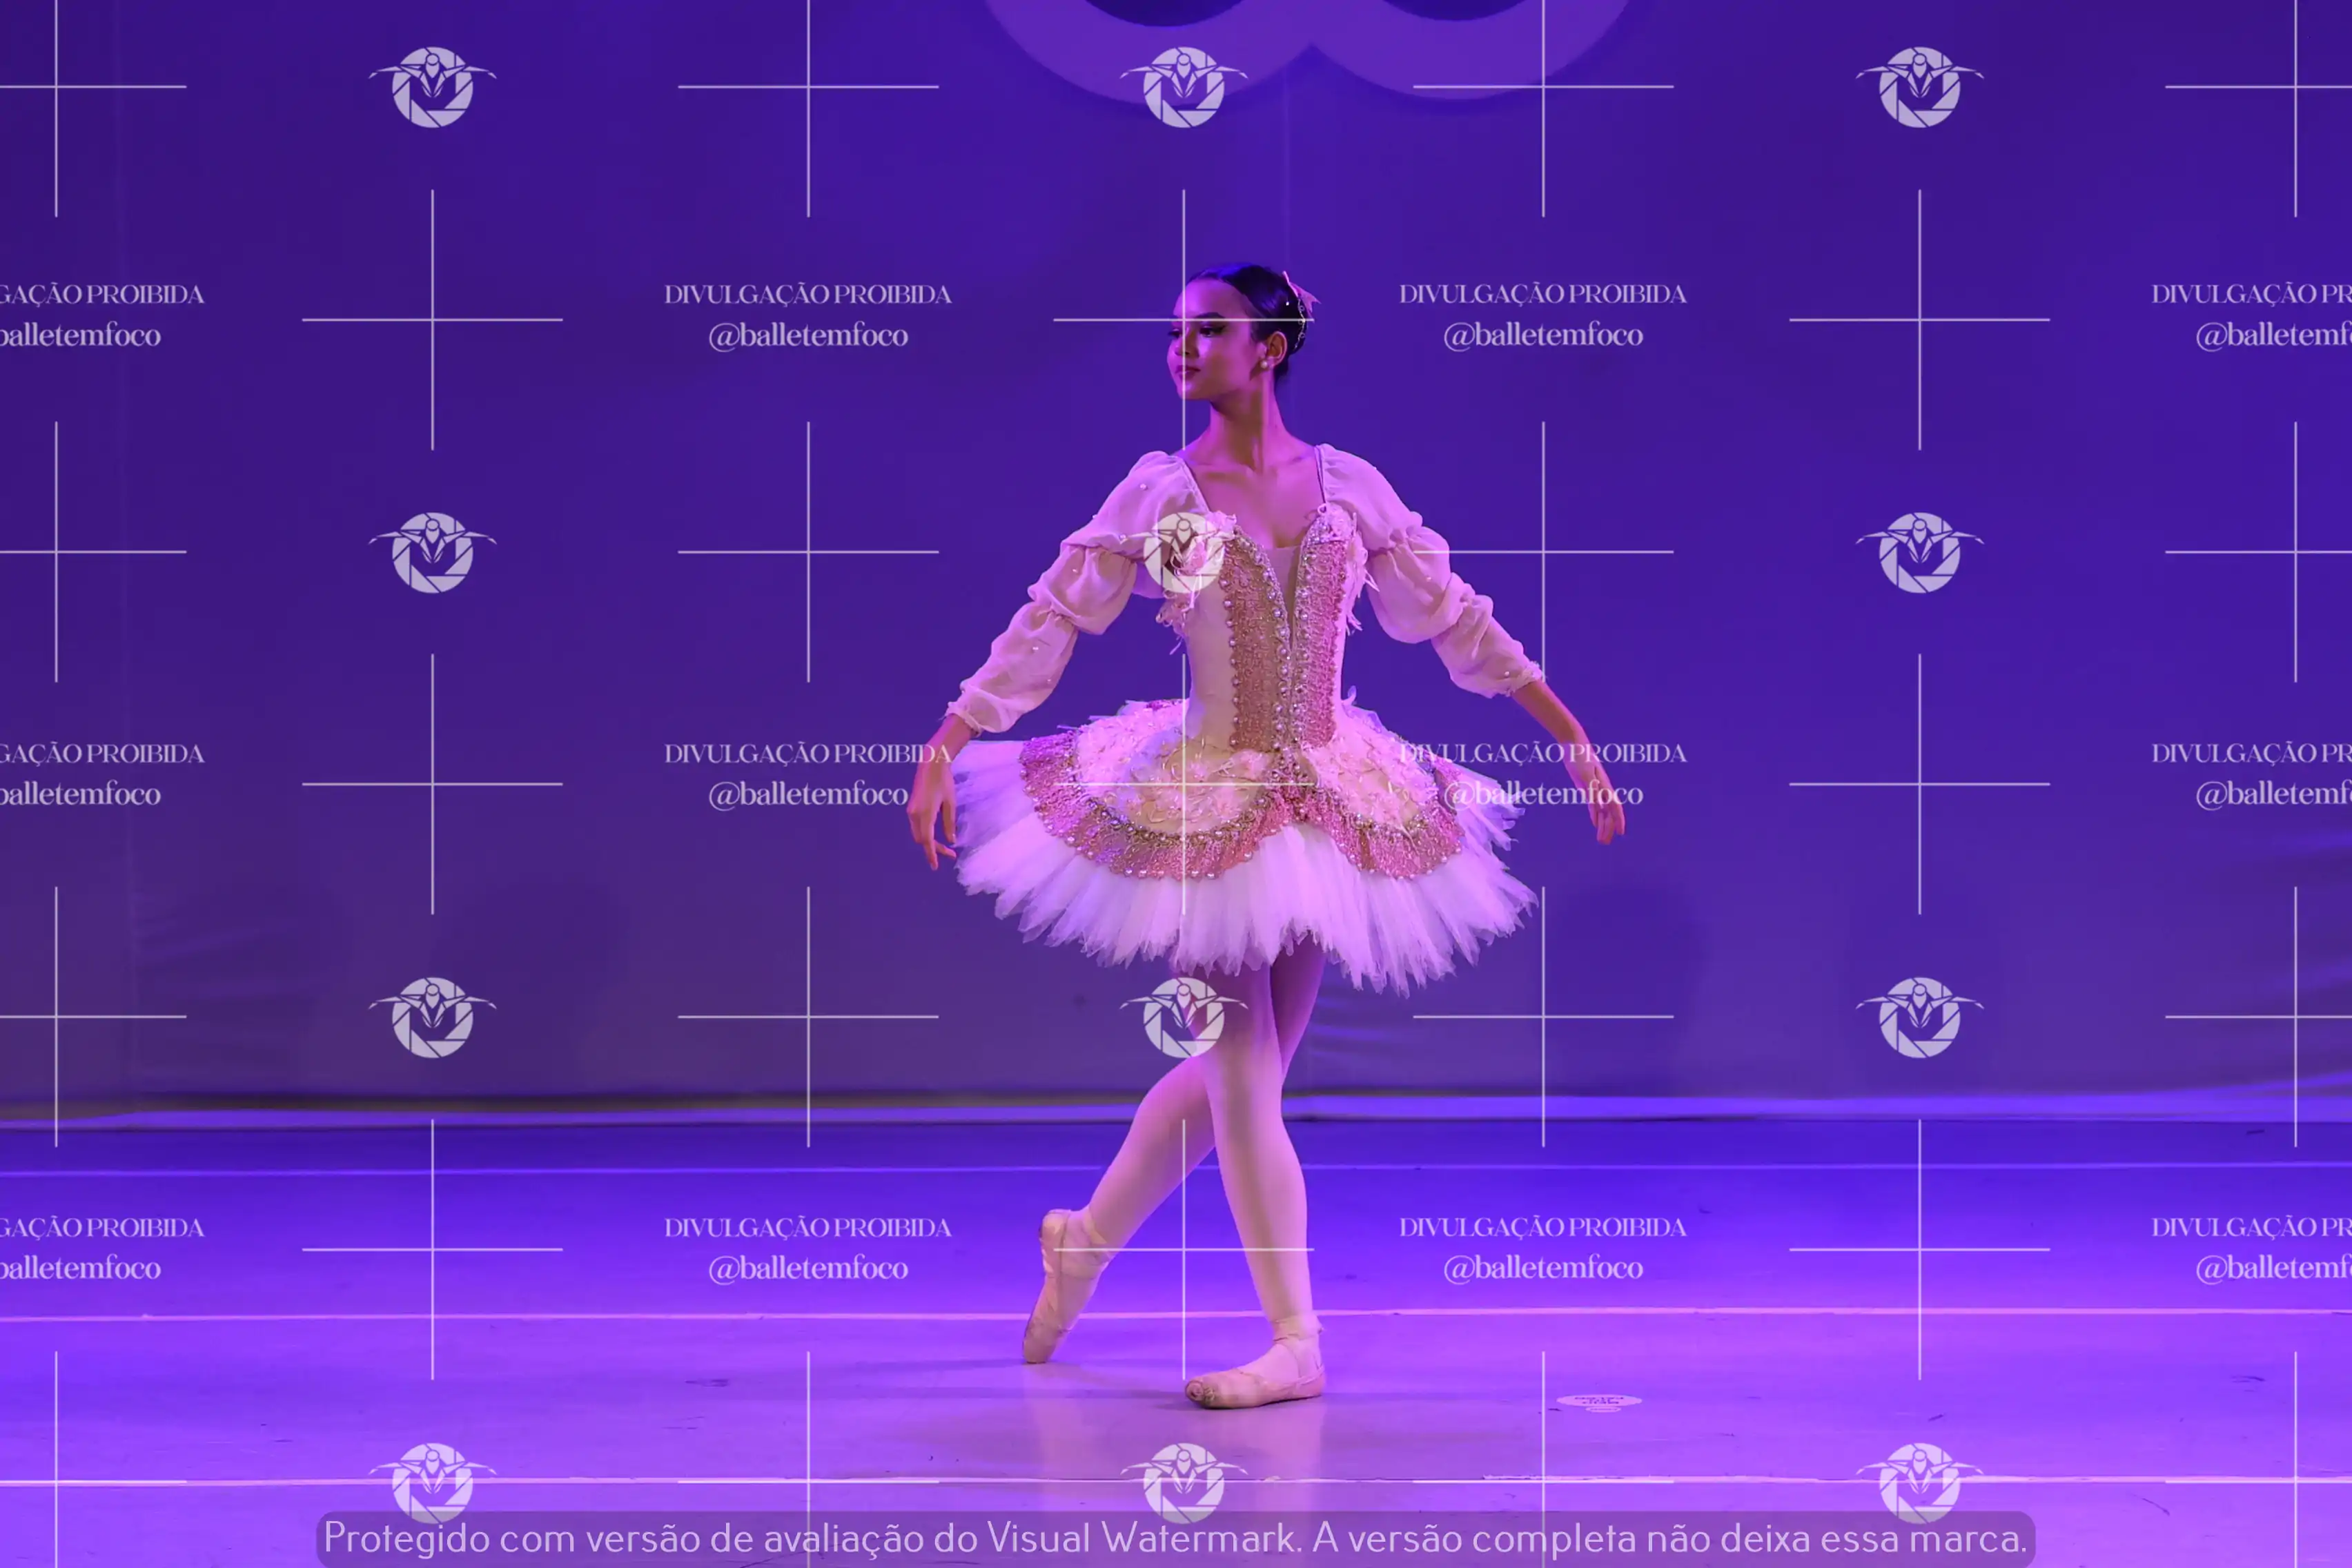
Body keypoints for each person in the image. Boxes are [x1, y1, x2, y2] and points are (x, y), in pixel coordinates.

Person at [908, 263, 1625, 1409]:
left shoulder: (1349, 487)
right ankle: (1297, 1338)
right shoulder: (1162, 492)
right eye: (1176, 332)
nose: (1183, 348)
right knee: (1242, 1073)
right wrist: (952, 738)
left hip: (1325, 796)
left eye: (1210, 329)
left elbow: (1457, 619)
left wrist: (1570, 731)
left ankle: (1083, 1244)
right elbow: (1055, 615)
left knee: (1243, 1074)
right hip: (1207, 796)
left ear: (1270, 348)